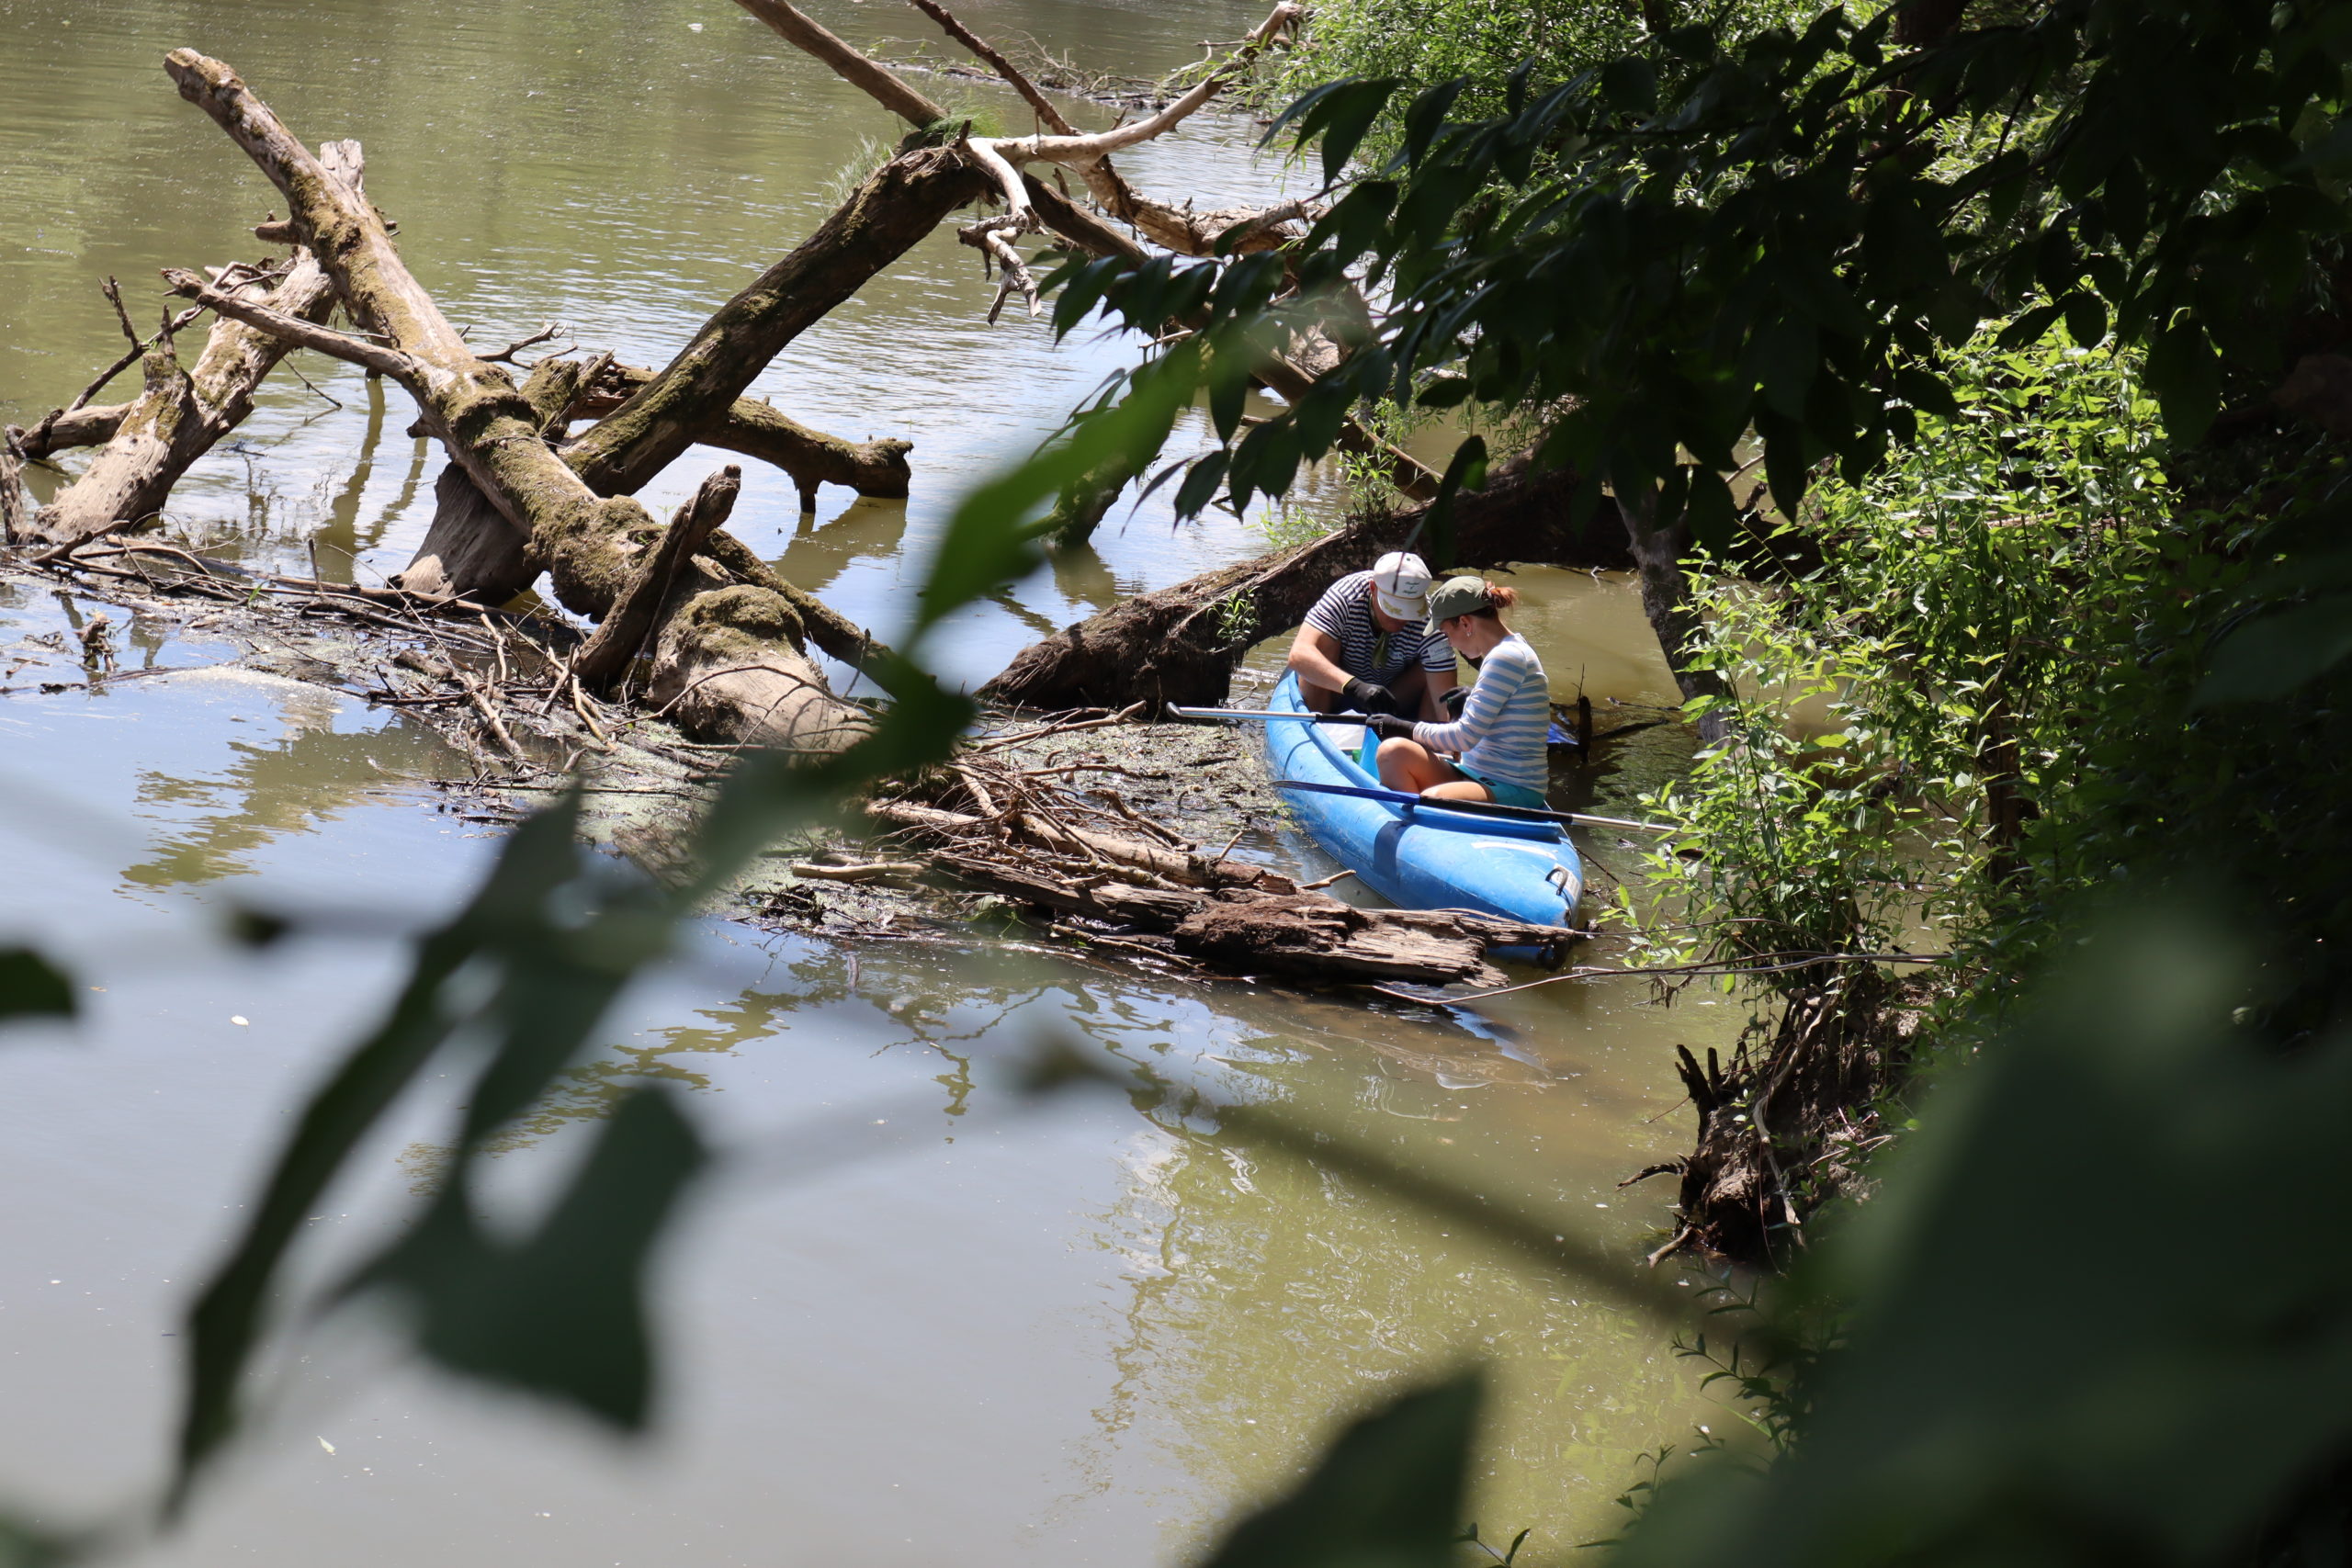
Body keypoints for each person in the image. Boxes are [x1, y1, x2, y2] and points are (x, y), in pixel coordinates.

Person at [1363, 576, 1550, 807]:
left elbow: (1464, 738)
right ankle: (1408, 820)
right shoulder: (1503, 652)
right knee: (1392, 751)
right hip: (1474, 773)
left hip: (1511, 785)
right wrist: (1472, 697)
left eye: (1446, 632)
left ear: (1465, 623)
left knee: (1432, 799)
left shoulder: (1506, 657)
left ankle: (1417, 821)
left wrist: (1407, 728)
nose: (1449, 643)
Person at [1285, 550, 1455, 720]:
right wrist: (1354, 686)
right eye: (1394, 609)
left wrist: (1452, 733)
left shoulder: (1429, 619)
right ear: (1373, 588)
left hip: (1393, 698)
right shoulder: (1345, 596)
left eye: (1409, 611)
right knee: (1324, 645)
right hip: (1339, 688)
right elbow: (1298, 654)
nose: (1402, 618)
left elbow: (1444, 699)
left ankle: (1427, 742)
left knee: (1431, 665)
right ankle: (1320, 724)